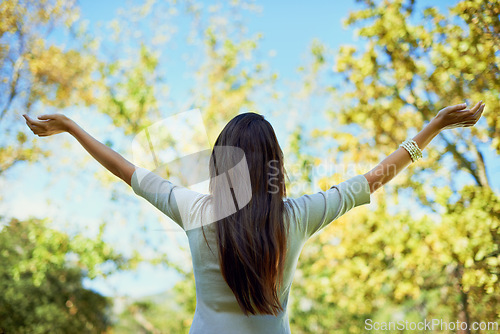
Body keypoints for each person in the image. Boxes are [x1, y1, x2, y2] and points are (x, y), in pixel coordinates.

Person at [23, 101, 484, 333]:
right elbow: (373, 178)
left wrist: (70, 127)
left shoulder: (194, 210)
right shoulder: (296, 217)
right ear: (274, 165)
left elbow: (125, 169)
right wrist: (435, 126)